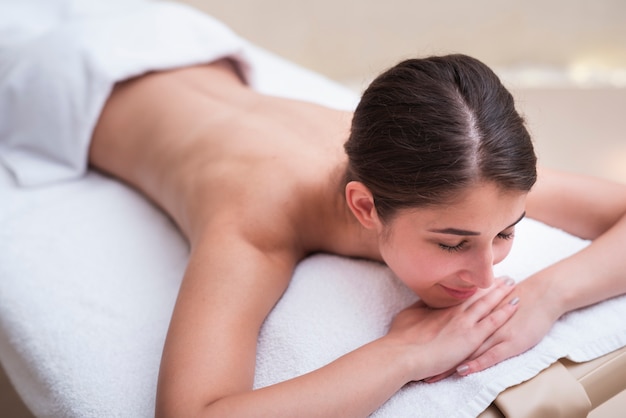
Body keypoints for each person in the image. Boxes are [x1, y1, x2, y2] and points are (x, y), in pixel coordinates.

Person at [86, 50, 626, 417]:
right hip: (76, 83)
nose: (488, 275)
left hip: (193, 54)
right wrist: (402, 355)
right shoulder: (256, 218)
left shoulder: (461, 166)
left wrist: (547, 295)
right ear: (364, 206)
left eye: (507, 232)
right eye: (452, 243)